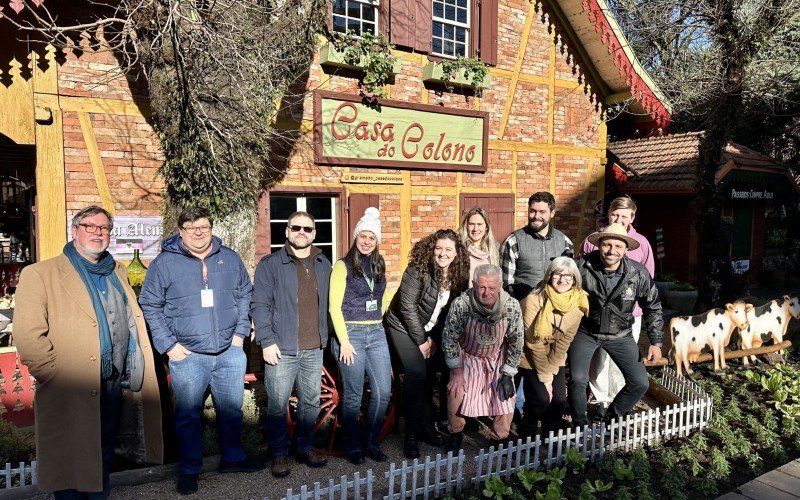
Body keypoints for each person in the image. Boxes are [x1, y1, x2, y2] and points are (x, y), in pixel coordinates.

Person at [15, 205, 163, 499]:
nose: (98, 232)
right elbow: (28, 334)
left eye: (104, 228)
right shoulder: (40, 274)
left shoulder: (116, 270)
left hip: (111, 382)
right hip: (69, 384)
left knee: (102, 452)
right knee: (69, 458)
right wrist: (52, 374)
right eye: (90, 226)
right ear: (75, 230)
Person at [140, 207, 260, 495]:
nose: (198, 232)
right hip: (188, 355)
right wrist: (168, 345)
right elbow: (150, 304)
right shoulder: (164, 264)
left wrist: (240, 333)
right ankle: (189, 468)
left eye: (203, 226)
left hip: (229, 352)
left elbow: (245, 292)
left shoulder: (229, 258)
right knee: (188, 415)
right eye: (191, 227)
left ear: (211, 227)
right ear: (180, 230)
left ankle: (233, 458)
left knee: (231, 410)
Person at [250, 211, 332, 477]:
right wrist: (266, 341)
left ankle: (305, 447)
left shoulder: (322, 263)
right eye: (296, 227)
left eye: (307, 229)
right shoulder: (271, 264)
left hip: (314, 346)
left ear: (314, 234)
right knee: (278, 403)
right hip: (281, 348)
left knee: (310, 401)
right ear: (286, 231)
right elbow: (259, 305)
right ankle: (278, 453)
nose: (301, 232)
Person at [384, 229, 470, 459]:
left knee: (430, 376)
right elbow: (407, 308)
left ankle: (426, 428)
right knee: (417, 373)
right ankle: (410, 436)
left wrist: (433, 337)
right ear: (431, 249)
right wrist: (422, 341)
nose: (442, 254)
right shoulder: (417, 270)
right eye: (438, 248)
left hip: (429, 330)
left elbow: (449, 312)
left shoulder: (458, 274)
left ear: (456, 253)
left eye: (448, 249)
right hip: (401, 326)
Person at [569, 223, 663, 426]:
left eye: (618, 246)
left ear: (626, 249)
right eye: (607, 244)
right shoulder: (581, 267)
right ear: (599, 245)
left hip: (620, 334)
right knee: (577, 379)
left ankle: (612, 418)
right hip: (586, 331)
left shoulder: (638, 273)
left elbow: (653, 306)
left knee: (639, 382)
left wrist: (656, 341)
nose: (612, 251)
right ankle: (579, 424)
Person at [329, 207, 392, 465]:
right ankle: (352, 444)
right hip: (350, 334)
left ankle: (371, 440)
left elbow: (379, 299)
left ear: (377, 241)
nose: (366, 241)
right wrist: (343, 340)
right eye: (362, 236)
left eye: (372, 238)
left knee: (383, 392)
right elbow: (334, 306)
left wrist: (380, 319)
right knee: (354, 393)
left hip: (376, 332)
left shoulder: (379, 265)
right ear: (355, 237)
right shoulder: (342, 266)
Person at [442, 264, 523, 452]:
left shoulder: (511, 306)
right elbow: (449, 338)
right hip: (467, 356)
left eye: (492, 288)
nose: (487, 293)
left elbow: (516, 341)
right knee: (455, 392)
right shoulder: (461, 305)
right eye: (482, 287)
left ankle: (498, 439)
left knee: (505, 397)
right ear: (474, 285)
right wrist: (456, 371)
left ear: (501, 286)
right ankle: (455, 434)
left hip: (496, 357)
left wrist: (507, 373)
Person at [518, 257, 588, 438]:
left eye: (568, 276)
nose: (562, 279)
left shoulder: (578, 303)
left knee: (558, 400)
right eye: (558, 274)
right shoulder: (534, 300)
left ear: (575, 279)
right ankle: (527, 431)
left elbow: (564, 342)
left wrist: (553, 369)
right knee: (542, 398)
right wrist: (546, 378)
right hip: (528, 355)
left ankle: (550, 435)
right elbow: (533, 342)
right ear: (549, 276)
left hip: (553, 356)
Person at [500, 191, 573, 301]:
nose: (536, 216)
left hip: (554, 307)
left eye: (542, 212)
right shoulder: (514, 241)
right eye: (533, 211)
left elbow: (570, 279)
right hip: (523, 306)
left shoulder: (564, 242)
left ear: (552, 213)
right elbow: (506, 283)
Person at [458, 206, 500, 283]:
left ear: (486, 226)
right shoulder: (459, 247)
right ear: (466, 226)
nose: (475, 229)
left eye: (479, 224)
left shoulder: (495, 249)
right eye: (471, 224)